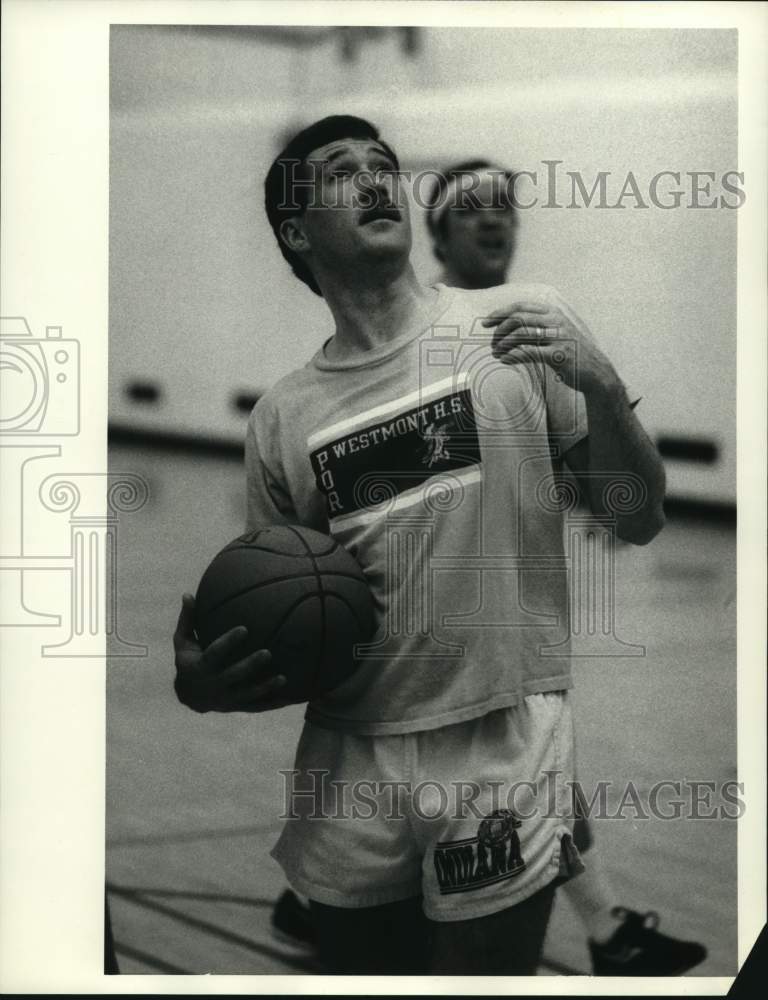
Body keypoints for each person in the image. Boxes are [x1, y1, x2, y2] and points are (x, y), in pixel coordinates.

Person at [173, 115, 667, 975]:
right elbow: (288, 620)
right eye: (339, 171)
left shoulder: (520, 325)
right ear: (296, 231)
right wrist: (208, 682)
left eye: (383, 165)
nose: (373, 179)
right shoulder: (283, 416)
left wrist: (606, 386)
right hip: (349, 751)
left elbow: (637, 517)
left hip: (501, 738)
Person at [423, 157, 708, 976]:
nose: (492, 221)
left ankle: (609, 928)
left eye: (504, 208)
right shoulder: (417, 327)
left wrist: (600, 454)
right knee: (520, 788)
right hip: (418, 618)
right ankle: (609, 929)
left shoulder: (540, 324)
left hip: (509, 620)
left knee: (537, 782)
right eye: (471, 209)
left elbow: (621, 501)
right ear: (436, 231)